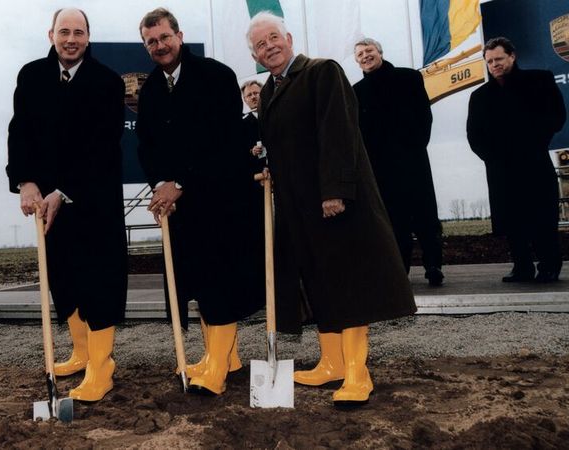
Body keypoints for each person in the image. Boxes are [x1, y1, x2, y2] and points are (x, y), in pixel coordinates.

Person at [246, 11, 416, 405]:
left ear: (288, 37)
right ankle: (332, 363)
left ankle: (358, 373)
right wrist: (271, 168)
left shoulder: (323, 72)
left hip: (335, 203)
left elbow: (339, 132)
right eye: (259, 44)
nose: (268, 46)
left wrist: (335, 191)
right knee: (318, 281)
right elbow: (286, 142)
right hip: (297, 207)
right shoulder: (269, 91)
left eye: (273, 37)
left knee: (348, 282)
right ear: (254, 54)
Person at [136, 7, 263, 395]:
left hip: (222, 198)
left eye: (164, 37)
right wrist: (161, 185)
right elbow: (146, 145)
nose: (160, 46)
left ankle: (218, 369)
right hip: (180, 205)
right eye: (151, 41)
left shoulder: (215, 75)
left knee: (218, 281)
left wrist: (179, 181)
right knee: (196, 280)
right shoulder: (151, 90)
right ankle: (225, 356)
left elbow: (221, 141)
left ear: (179, 35)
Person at [6, 8, 128, 402]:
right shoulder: (31, 76)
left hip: (94, 200)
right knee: (64, 280)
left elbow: (103, 147)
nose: (71, 39)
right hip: (48, 204)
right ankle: (79, 353)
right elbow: (19, 132)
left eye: (78, 32)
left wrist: (64, 191)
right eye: (64, 32)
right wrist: (26, 182)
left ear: (88, 37)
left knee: (99, 282)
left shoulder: (107, 83)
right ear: (51, 34)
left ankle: (101, 366)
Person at [467, 37, 566, 283]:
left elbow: (557, 115)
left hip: (534, 161)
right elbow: (474, 134)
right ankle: (521, 267)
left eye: (498, 59)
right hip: (501, 168)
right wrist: (491, 158)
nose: (494, 64)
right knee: (512, 219)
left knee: (542, 217)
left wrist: (533, 142)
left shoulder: (539, 80)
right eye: (489, 61)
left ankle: (549, 266)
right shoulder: (480, 96)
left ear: (512, 56)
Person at [352, 38, 444, 286]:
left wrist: (416, 146)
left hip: (412, 158)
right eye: (359, 54)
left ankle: (433, 264)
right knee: (394, 220)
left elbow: (424, 114)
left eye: (368, 50)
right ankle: (399, 270)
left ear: (379, 51)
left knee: (424, 214)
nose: (365, 56)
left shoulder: (409, 77)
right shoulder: (356, 91)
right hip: (381, 167)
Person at [241, 80, 266, 172]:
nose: (253, 97)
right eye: (249, 95)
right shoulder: (241, 124)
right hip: (258, 174)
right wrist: (252, 151)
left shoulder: (275, 115)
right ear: (245, 99)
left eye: (256, 93)